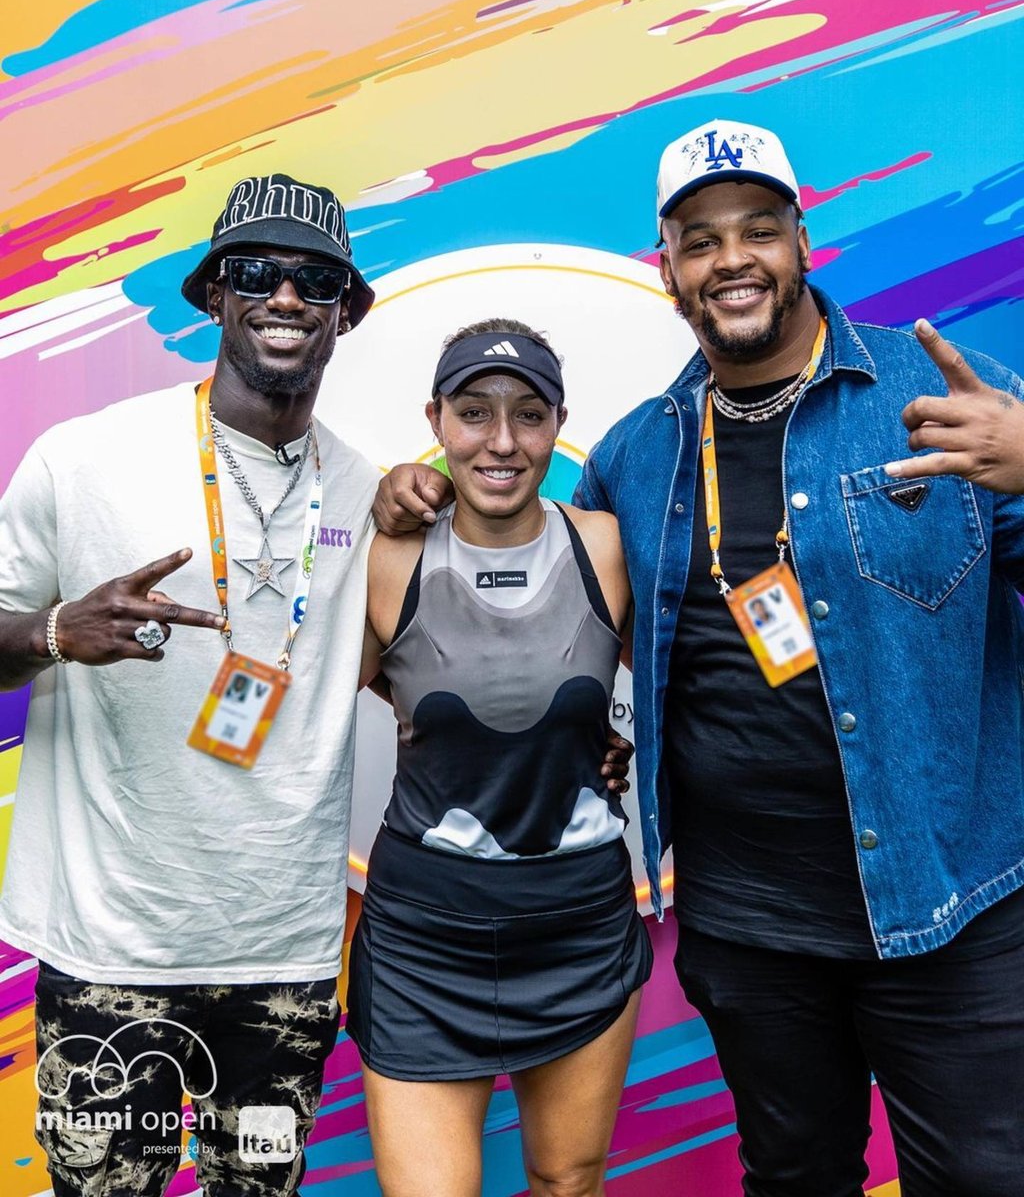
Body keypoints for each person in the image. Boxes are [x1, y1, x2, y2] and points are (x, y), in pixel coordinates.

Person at [372, 120, 1024, 1196]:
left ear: (801, 240)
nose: (732, 259)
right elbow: (535, 608)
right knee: (791, 1176)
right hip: (747, 924)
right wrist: (412, 493)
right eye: (700, 239)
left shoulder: (940, 392)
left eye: (757, 230)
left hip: (947, 909)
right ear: (667, 268)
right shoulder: (637, 451)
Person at [0, 173, 383, 1197]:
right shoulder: (81, 460)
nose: (286, 298)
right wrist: (50, 628)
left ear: (348, 310)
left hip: (284, 961)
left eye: (316, 280)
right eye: (255, 273)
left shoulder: (372, 490)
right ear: (213, 295)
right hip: (111, 949)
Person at [349, 320, 653, 1197]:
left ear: (559, 424)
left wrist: (616, 737)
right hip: (423, 939)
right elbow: (311, 706)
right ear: (436, 419)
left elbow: (691, 684)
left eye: (528, 414)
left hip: (578, 926)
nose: (502, 441)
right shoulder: (390, 553)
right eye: (474, 412)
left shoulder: (604, 545)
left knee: (567, 1181)